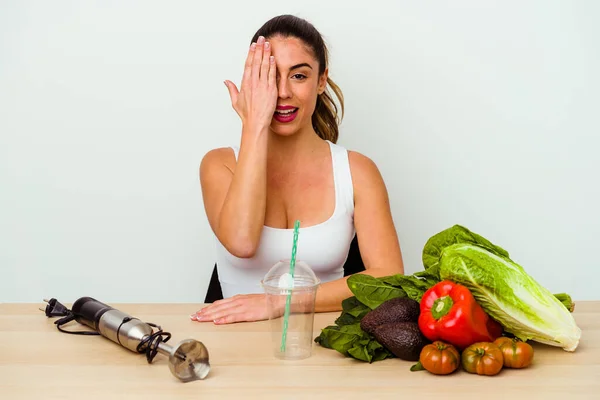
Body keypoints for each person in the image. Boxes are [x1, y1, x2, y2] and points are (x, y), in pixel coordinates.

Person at [191, 14, 404, 325]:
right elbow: (242, 243)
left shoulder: (358, 171)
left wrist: (280, 303)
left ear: (321, 81)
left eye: (299, 76)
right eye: (268, 77)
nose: (282, 92)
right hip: (231, 348)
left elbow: (390, 279)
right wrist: (254, 126)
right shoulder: (219, 164)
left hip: (320, 348)